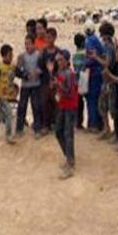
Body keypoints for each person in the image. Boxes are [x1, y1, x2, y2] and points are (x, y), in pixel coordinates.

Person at [51, 50, 78, 179]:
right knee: (59, 132)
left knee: (67, 134)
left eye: (61, 60)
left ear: (67, 61)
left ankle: (70, 161)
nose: (59, 62)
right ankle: (68, 156)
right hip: (62, 105)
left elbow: (70, 93)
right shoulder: (60, 72)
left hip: (70, 106)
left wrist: (59, 85)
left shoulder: (70, 74)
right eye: (59, 60)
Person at [15, 35, 42, 138]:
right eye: (25, 44)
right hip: (25, 85)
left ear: (34, 44)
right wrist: (25, 75)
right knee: (22, 107)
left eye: (29, 44)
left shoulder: (38, 56)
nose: (27, 46)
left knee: (36, 107)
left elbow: (42, 68)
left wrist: (39, 72)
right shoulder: (22, 56)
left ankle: (37, 129)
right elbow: (18, 71)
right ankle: (19, 128)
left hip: (35, 85)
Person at [94, 22, 117, 141]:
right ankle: (107, 129)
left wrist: (96, 57)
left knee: (109, 106)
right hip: (107, 80)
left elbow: (107, 63)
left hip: (109, 80)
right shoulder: (111, 45)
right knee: (103, 105)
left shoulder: (108, 47)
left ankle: (111, 130)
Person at [84, 21, 104, 133]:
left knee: (92, 100)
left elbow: (91, 58)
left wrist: (84, 64)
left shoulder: (89, 41)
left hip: (93, 73)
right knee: (98, 99)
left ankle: (93, 124)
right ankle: (99, 124)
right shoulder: (96, 39)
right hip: (99, 72)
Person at [38, 27, 60, 132]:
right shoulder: (43, 52)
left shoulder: (58, 52)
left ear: (55, 38)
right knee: (44, 103)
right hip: (44, 82)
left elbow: (60, 67)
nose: (48, 40)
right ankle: (45, 125)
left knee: (55, 103)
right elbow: (40, 66)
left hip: (55, 82)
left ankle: (55, 124)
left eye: (50, 37)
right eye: (47, 37)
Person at [72, 33, 87, 130]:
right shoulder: (84, 54)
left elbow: (75, 67)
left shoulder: (75, 55)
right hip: (84, 79)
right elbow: (84, 67)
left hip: (76, 79)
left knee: (78, 102)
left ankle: (78, 122)